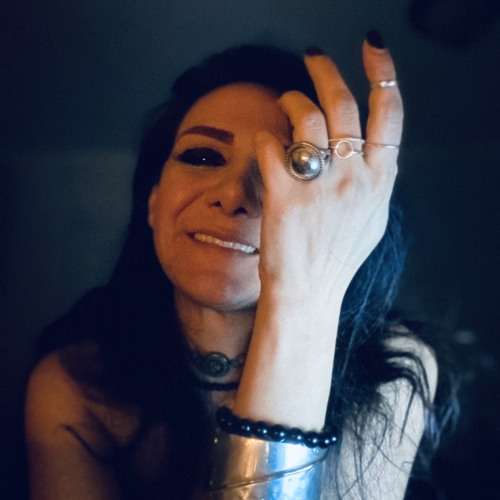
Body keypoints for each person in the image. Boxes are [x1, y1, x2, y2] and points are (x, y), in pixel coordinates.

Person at [25, 32, 451, 499]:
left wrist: (304, 296)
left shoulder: (394, 371)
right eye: (202, 156)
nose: (233, 196)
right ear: (153, 201)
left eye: (290, 169)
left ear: (337, 219)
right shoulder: (73, 384)